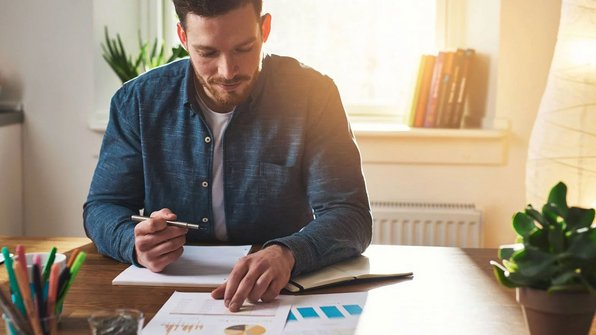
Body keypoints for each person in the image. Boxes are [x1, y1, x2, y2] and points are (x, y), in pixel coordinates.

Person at [83, 0, 372, 312]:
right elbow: (102, 207)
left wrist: (289, 253)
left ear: (265, 29)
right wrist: (133, 243)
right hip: (166, 297)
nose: (227, 71)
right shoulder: (137, 102)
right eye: (207, 53)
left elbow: (350, 214)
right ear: (183, 37)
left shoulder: (313, 95)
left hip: (276, 297)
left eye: (243, 49)